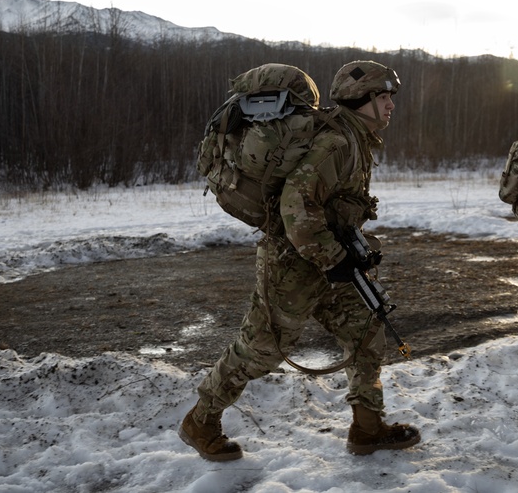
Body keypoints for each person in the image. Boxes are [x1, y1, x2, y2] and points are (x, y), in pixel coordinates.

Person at [178, 60, 420, 460]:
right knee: (261, 350)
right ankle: (200, 421)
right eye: (383, 97)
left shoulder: (354, 137)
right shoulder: (337, 143)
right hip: (293, 263)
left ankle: (367, 427)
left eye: (390, 96)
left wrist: (343, 253)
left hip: (330, 261)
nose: (391, 104)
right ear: (361, 99)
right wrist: (332, 257)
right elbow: (296, 206)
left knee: (365, 332)